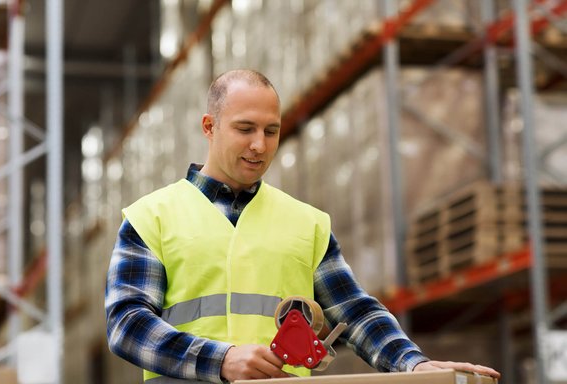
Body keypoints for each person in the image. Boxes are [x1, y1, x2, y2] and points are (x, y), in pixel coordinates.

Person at [105, 69, 500, 383]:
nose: (260, 145)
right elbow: (127, 325)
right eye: (245, 129)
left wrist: (412, 364)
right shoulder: (151, 217)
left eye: (271, 131)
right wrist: (221, 359)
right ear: (209, 127)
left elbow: (354, 311)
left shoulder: (305, 223)